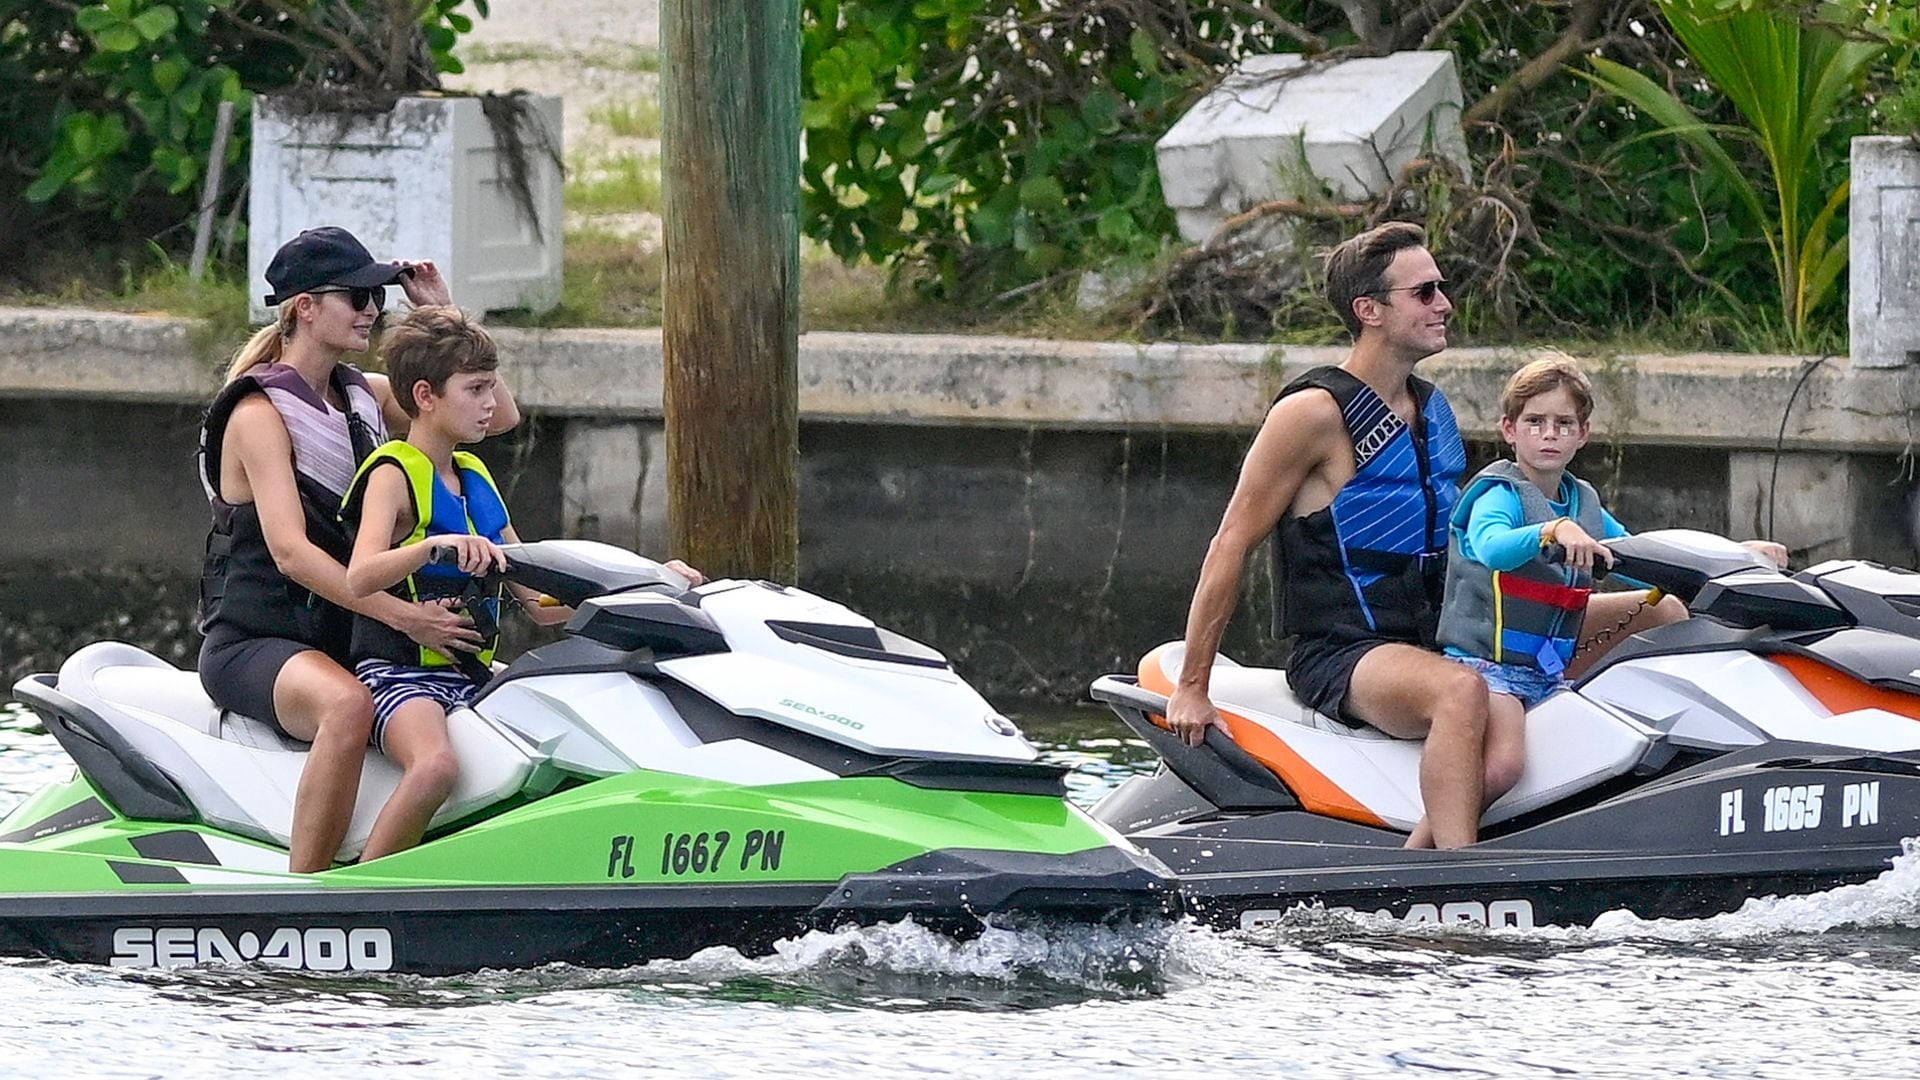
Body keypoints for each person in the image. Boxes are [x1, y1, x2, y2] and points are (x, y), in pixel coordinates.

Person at [1165, 221, 1499, 850]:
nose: (1445, 304)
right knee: (1461, 692)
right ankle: (1454, 879)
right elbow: (1231, 541)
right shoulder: (1313, 414)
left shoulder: (1433, 410)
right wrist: (1192, 688)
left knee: (1655, 616)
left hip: (1440, 636)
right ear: (1369, 310)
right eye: (1424, 293)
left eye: (1442, 288)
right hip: (1345, 654)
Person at [197, 226, 522, 873]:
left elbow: (494, 414)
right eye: (356, 295)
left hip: (338, 634)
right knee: (349, 705)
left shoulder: (362, 394)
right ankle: (312, 893)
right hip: (256, 639)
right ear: (304, 308)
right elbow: (290, 554)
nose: (372, 308)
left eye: (377, 293)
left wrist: (443, 311)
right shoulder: (258, 413)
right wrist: (404, 616)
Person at [341, 307, 703, 858]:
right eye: (477, 388)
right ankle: (357, 895)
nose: (492, 402)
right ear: (425, 395)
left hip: (472, 675)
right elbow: (360, 575)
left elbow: (539, 601)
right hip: (398, 674)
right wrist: (430, 548)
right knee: (437, 765)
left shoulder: (476, 478)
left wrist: (651, 582)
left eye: (492, 386)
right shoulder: (393, 474)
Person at [1435, 356, 1788, 788]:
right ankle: (1426, 848)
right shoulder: (1499, 495)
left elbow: (1642, 559)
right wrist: (1552, 529)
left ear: (1583, 434)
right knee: (1506, 764)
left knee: (1664, 614)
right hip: (1488, 668)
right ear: (1509, 429)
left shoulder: (1582, 501)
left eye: (1564, 423)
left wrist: (1734, 555)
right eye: (1535, 422)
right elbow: (1493, 549)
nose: (1549, 434)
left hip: (1548, 668)